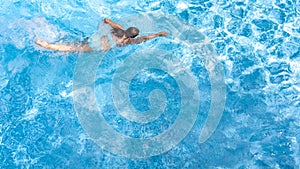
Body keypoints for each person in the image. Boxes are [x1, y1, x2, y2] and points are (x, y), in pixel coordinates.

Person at [35, 18, 169, 52]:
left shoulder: (119, 29)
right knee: (73, 49)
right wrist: (158, 34)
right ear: (132, 37)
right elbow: (144, 39)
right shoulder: (127, 42)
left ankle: (51, 37)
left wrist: (101, 28)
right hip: (98, 47)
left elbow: (106, 20)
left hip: (96, 38)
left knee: (76, 42)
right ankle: (47, 45)